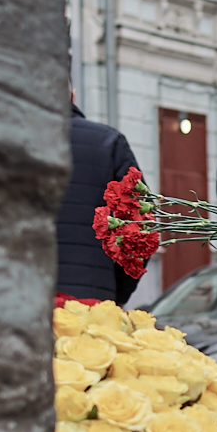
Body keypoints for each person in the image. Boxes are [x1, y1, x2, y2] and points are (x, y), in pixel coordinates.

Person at [58, 98, 144, 303]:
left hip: (14, 302)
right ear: (73, 94)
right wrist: (117, 291)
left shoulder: (1, 142)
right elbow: (141, 228)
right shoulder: (109, 142)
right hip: (91, 303)